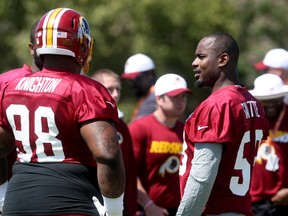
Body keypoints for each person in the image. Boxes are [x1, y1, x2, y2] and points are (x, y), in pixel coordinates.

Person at [0, 8, 125, 215]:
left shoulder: (13, 87)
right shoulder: (85, 89)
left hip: (18, 201)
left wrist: (3, 196)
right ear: (82, 45)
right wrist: (114, 211)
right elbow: (108, 154)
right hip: (71, 200)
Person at [177, 33, 269, 216]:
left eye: (201, 56)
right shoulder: (253, 103)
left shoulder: (218, 104)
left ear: (223, 59)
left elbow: (202, 177)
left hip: (214, 210)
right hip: (241, 209)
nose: (194, 63)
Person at [128, 73, 191, 216]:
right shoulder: (139, 128)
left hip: (180, 210)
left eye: (183, 97)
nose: (181, 101)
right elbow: (129, 173)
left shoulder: (188, 131)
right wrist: (148, 205)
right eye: (175, 97)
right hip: (146, 210)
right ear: (159, 98)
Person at [0, 19, 43, 213]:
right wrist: (2, 193)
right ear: (32, 48)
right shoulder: (7, 82)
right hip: (16, 195)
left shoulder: (73, 84)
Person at [91, 69, 137, 216]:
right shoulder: (86, 124)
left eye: (118, 89)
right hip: (93, 202)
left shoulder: (122, 126)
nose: (116, 94)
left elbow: (129, 169)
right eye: (110, 89)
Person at [249, 73, 288, 216]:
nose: (271, 104)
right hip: (250, 200)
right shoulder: (249, 118)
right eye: (266, 100)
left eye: (275, 99)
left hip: (283, 200)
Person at [121, 53, 157, 122]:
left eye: (136, 79)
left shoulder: (154, 99)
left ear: (150, 74)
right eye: (130, 80)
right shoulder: (146, 97)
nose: (133, 84)